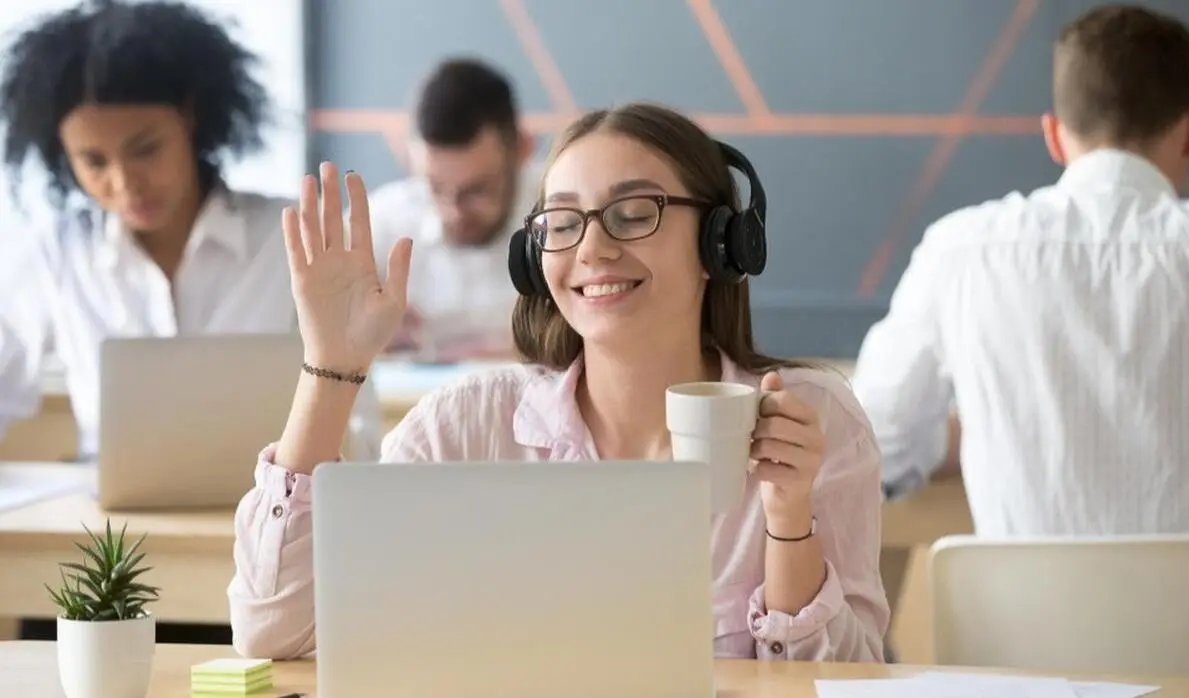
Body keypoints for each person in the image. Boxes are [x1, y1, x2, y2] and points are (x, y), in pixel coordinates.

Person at [227, 102, 889, 661]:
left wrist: (788, 521)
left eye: (634, 214)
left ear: (723, 242)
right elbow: (274, 633)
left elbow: (853, 678)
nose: (593, 250)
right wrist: (331, 367)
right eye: (563, 223)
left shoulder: (812, 422)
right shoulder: (466, 428)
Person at [852, 4, 1189, 535]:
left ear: (1054, 135)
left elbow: (874, 439)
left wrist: (977, 427)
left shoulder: (962, 251)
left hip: (1023, 619)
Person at [0, 0, 382, 461]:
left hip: (275, 518)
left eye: (145, 149)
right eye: (94, 162)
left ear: (191, 116)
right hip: (113, 529)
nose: (123, 184)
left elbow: (357, 430)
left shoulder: (293, 240)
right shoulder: (55, 256)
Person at [366, 57, 540, 361]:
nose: (453, 211)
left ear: (523, 149)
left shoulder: (569, 213)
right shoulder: (381, 223)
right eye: (435, 187)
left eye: (476, 190)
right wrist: (365, 335)